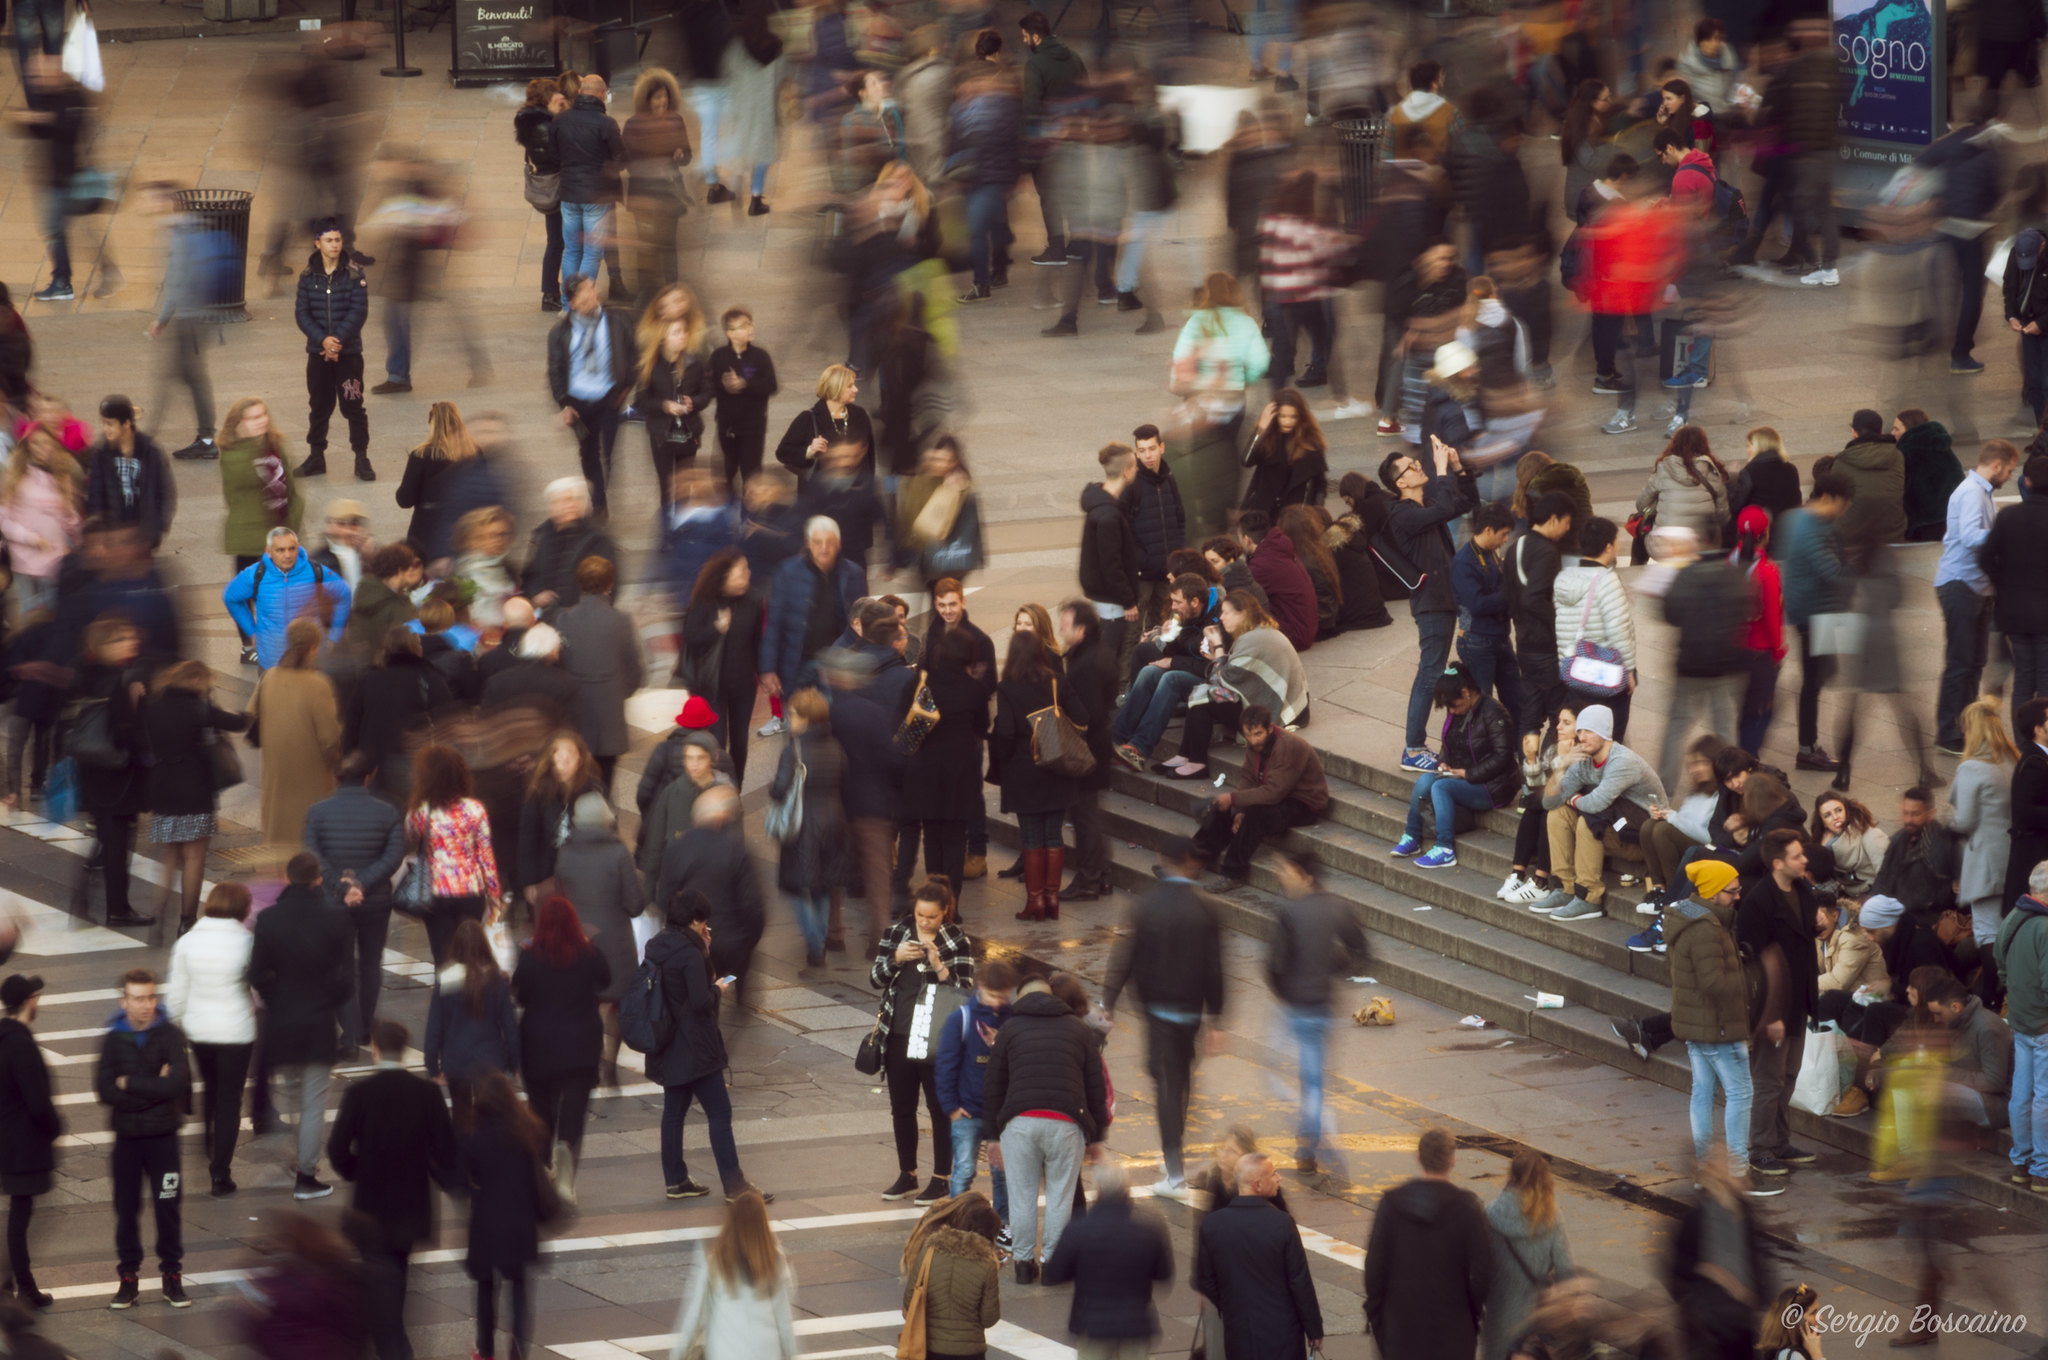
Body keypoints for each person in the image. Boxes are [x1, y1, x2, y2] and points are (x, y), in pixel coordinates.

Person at [1102, 836, 1224, 1196]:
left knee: (1165, 1085)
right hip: (1190, 1011)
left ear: (1160, 857)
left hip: (1156, 1010)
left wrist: (1108, 999)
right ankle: (1174, 1148)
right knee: (1180, 1079)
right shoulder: (1207, 907)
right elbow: (1215, 968)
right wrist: (1216, 1017)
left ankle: (1173, 1169)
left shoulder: (1145, 904)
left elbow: (1125, 956)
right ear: (1190, 860)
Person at [329, 1017, 457, 1360]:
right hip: (411, 1206)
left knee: (375, 1280)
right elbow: (446, 1149)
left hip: (370, 1206)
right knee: (398, 1277)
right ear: (402, 1051)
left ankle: (392, 1346)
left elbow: (337, 1149)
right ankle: (394, 1342)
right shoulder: (427, 1094)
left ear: (375, 1049)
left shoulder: (359, 1094)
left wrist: (357, 1171)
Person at [982, 973, 1109, 1282]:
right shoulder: (1079, 1029)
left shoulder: (1009, 1030)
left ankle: (1023, 1265)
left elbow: (993, 1086)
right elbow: (1096, 1086)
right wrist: (1096, 1136)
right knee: (1060, 1197)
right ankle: (1052, 1263)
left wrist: (992, 1136)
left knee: (1021, 1196)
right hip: (1066, 1123)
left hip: (1020, 1122)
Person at [646, 889, 770, 1202]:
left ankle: (675, 1180)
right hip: (696, 1045)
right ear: (694, 919)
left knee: (673, 1113)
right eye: (703, 921)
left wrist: (704, 950)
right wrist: (717, 989)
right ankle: (734, 1184)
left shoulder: (657, 945)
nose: (705, 926)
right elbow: (700, 1000)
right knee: (720, 1112)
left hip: (667, 1042)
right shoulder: (690, 952)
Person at [250, 851, 353, 1201]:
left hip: (283, 1022)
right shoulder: (335, 917)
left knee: (292, 1097)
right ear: (317, 879)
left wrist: (277, 999)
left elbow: (256, 973)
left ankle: (289, 1161)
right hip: (319, 1023)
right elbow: (346, 979)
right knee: (313, 1103)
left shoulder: (269, 920)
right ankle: (306, 1175)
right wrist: (328, 999)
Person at [870, 879, 975, 1204]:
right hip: (898, 1032)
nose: (925, 922)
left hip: (935, 1037)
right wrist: (896, 958)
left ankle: (941, 1177)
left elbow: (965, 992)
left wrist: (938, 965)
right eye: (920, 915)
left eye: (931, 916)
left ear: (945, 912)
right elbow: (875, 979)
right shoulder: (896, 932)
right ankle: (908, 1174)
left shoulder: (957, 940)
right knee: (901, 1108)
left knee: (939, 1107)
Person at [95, 967, 194, 1309]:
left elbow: (175, 1085)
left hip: (163, 1139)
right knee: (126, 1210)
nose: (146, 1005)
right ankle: (128, 1278)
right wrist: (155, 1087)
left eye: (151, 997)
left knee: (168, 1208)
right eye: (138, 998)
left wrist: (130, 1083)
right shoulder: (113, 1038)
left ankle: (172, 1276)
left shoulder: (171, 1035)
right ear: (124, 1001)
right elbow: (104, 1090)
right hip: (128, 1142)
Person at [1264, 855, 1366, 1175]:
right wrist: (1336, 967)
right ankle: (1310, 1141)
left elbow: (1274, 966)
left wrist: (1286, 994)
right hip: (1324, 1005)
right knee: (1312, 1078)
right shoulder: (1340, 908)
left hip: (1297, 1007)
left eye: (1287, 870)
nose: (1281, 876)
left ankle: (1313, 1143)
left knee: (1288, 1076)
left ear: (1306, 876)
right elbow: (1361, 952)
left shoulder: (1291, 913)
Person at [1383, 435, 1479, 770]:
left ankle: (1418, 745)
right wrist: (1440, 470)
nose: (1418, 465)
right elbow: (1445, 507)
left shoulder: (1423, 508)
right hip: (1431, 602)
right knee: (1430, 673)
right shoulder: (1401, 513)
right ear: (1401, 482)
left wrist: (1455, 468)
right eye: (1411, 466)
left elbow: (1464, 502)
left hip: (1445, 598)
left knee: (1432, 670)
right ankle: (1413, 748)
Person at [304, 751, 405, 1054]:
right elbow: (393, 856)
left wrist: (341, 886)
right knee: (371, 964)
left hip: (334, 902)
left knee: (341, 966)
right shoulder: (388, 812)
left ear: (336, 776)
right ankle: (363, 1029)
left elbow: (314, 856)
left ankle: (348, 1034)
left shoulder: (317, 812)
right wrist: (363, 883)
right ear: (368, 776)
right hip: (376, 900)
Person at [511, 893, 609, 1202]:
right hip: (581, 1046)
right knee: (575, 1108)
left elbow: (521, 995)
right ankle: (566, 1152)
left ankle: (542, 1169)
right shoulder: (588, 954)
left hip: (538, 1046)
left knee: (541, 1110)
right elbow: (606, 980)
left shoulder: (529, 957)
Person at [142, 659, 251, 933]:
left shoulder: (154, 705)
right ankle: (186, 920)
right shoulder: (198, 709)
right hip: (194, 786)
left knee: (170, 853)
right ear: (198, 681)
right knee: (194, 855)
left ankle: (158, 914)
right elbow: (238, 723)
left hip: (162, 784)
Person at [1738, 830, 1820, 1180]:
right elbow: (1756, 966)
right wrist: (1768, 1016)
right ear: (1777, 863)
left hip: (1799, 1001)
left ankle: (1780, 1143)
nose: (1805, 861)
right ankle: (1759, 1149)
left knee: (1788, 1077)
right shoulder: (1758, 903)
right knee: (1769, 1080)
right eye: (1798, 856)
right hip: (1773, 1006)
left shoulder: (1802, 890)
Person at [1535, 703, 1666, 921]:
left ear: (1605, 734)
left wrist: (1574, 798)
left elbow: (1596, 803)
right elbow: (1550, 802)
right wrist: (1562, 766)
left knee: (1588, 823)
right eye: (1580, 731)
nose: (1582, 737)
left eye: (1589, 732)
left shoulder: (1622, 761)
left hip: (1643, 837)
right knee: (1558, 814)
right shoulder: (1583, 759)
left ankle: (1589, 898)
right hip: (1616, 823)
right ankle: (1565, 888)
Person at [992, 628, 1089, 921]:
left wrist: (1005, 757)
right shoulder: (1057, 681)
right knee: (1053, 835)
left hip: (1024, 772)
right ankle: (1052, 899)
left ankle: (1035, 901)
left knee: (1032, 836)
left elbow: (1006, 732)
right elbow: (1083, 718)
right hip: (1058, 768)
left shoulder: (1007, 688)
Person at [1194, 1153, 1324, 1360]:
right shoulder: (1281, 1224)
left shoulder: (1212, 1225)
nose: (1279, 1178)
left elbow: (1207, 1281)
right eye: (1273, 1174)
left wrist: (1230, 1306)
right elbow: (1300, 1281)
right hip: (1282, 1333)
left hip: (1239, 1332)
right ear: (1258, 1184)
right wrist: (1314, 1329)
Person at [1934, 440, 2018, 752]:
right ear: (1997, 465)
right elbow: (1970, 537)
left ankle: (1966, 725)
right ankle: (1948, 732)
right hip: (1961, 585)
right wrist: (2005, 533)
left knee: (1974, 662)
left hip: (1976, 587)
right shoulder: (1971, 492)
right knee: (1960, 662)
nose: (2010, 475)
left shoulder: (1981, 492)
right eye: (2009, 469)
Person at [1393, 663, 1518, 870]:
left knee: (1441, 787)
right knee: (1425, 780)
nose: (1452, 711)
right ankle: (1412, 835)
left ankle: (1445, 848)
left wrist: (1468, 774)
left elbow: (1503, 757)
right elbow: (1449, 742)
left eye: (1454, 706)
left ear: (1466, 693)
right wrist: (1443, 761)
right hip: (1463, 776)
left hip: (1494, 786)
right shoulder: (1458, 710)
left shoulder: (1494, 714)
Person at [1041, 1162, 1174, 1355]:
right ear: (1127, 1191)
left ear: (1099, 1190)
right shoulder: (1149, 1229)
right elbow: (1163, 1275)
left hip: (1092, 1325)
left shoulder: (1078, 1228)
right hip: (1136, 1325)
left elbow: (1054, 1274)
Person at [463, 1071, 548, 1360]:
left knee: (486, 1288)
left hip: (486, 1223)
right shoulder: (527, 1132)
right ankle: (518, 1353)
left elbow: (469, 1177)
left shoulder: (475, 1136)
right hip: (520, 1223)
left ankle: (485, 1351)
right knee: (520, 1290)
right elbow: (534, 1181)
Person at [75, 616, 153, 928]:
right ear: (104, 645)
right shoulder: (119, 680)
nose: (130, 643)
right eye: (121, 639)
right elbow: (125, 733)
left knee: (107, 841)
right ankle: (118, 909)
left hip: (93, 773)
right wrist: (135, 703)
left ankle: (85, 900)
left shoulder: (85, 673)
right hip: (118, 777)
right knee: (118, 845)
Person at [1778, 473, 1854, 770]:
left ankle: (1807, 744)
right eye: (1844, 505)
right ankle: (1807, 748)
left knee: (1822, 674)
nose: (1844, 512)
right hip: (1815, 615)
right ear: (1829, 498)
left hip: (1817, 613)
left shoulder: (1796, 518)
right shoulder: (1811, 529)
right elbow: (1833, 573)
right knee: (1813, 681)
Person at [668, 1190, 799, 1360]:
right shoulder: (775, 1262)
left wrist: (678, 1354)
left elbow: (695, 1316)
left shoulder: (716, 1263)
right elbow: (784, 1320)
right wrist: (791, 1354)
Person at [548, 275, 637, 518]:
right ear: (573, 303)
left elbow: (633, 354)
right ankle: (599, 505)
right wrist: (564, 404)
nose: (591, 296)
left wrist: (626, 387)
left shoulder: (617, 321)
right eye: (583, 293)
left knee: (609, 451)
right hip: (578, 403)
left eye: (591, 289)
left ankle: (602, 491)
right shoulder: (559, 333)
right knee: (588, 453)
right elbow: (555, 370)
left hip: (610, 400)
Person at [771, 689, 850, 966]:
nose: (788, 718)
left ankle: (815, 942)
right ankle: (820, 940)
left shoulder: (794, 750)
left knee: (795, 887)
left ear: (805, 718)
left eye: (791, 714)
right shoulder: (836, 746)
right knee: (823, 886)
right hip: (834, 822)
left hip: (803, 827)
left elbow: (779, 790)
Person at [406, 743, 502, 967]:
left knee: (444, 956)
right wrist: (494, 892)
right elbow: (485, 854)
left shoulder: (422, 811)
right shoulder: (476, 809)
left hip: (436, 893)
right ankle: (471, 996)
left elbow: (411, 835)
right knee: (470, 953)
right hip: (471, 891)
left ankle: (448, 996)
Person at [248, 617, 340, 847]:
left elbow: (250, 715)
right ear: (313, 647)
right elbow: (329, 738)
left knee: (278, 835)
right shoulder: (318, 683)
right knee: (307, 836)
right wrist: (336, 763)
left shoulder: (269, 676)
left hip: (276, 771)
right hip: (312, 772)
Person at [291, 221, 372, 482]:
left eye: (338, 240)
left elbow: (358, 312)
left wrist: (336, 342)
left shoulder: (354, 274)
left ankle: (361, 456)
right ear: (318, 243)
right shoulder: (307, 276)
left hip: (349, 357)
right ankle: (316, 456)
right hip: (318, 356)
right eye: (329, 240)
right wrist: (322, 341)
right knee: (318, 405)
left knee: (353, 404)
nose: (335, 244)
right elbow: (302, 314)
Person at [935, 958, 1016, 1210]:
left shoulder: (1012, 1018)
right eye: (992, 995)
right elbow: (945, 1066)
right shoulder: (962, 1019)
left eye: (1002, 996)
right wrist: (951, 1108)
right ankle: (957, 1221)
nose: (997, 1002)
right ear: (980, 987)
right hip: (968, 1111)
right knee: (963, 1171)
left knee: (1002, 1176)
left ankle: (1004, 1226)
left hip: (1002, 1115)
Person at [425, 917, 518, 1132]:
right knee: (493, 1120)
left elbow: (435, 1027)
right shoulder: (497, 978)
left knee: (461, 1118)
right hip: (490, 1060)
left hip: (455, 1060)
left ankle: (464, 1160)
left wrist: (432, 1066)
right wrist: (512, 1064)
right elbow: (510, 1028)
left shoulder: (445, 978)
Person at [1480, 1150, 1574, 1360]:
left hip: (1499, 1316)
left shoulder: (1490, 1214)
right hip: (1536, 1318)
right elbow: (1566, 1272)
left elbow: (1480, 1269)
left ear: (1512, 1176)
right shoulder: (1552, 1217)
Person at [1551, 516, 1637, 739]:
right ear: (1608, 546)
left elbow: (1562, 625)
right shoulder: (1607, 581)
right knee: (1609, 737)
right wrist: (1629, 670)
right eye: (1617, 541)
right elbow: (1618, 630)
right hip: (1605, 674)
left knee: (1577, 736)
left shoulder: (1564, 577)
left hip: (1573, 671)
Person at [222, 523, 351, 671]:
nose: (288, 555)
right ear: (269, 552)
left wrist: (335, 635)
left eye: (292, 548)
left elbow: (343, 594)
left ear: (298, 548)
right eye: (281, 550)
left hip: (310, 661)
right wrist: (252, 630)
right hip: (272, 661)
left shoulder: (316, 571)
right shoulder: (255, 574)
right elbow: (231, 598)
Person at [0, 974, 55, 1308]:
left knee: (19, 1214)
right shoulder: (20, 1043)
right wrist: (54, 1126)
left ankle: (8, 1282)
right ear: (29, 1001)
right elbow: (37, 1100)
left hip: (8, 1139)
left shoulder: (4, 1037)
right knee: (21, 1216)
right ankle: (25, 1286)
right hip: (22, 1143)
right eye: (37, 996)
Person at [549, 73, 626, 296]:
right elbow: (621, 160)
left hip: (569, 194)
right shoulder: (607, 123)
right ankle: (580, 303)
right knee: (592, 253)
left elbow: (554, 155)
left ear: (581, 92)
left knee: (572, 251)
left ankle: (567, 305)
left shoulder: (560, 120)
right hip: (596, 196)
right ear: (602, 95)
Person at [899, 1193, 1003, 1354]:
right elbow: (989, 1318)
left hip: (929, 1349)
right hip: (969, 1352)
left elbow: (909, 1302)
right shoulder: (987, 1264)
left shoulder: (929, 1252)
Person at [1950, 698, 2017, 948]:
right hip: (2013, 855)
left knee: (1987, 930)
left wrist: (1950, 823)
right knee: (2009, 926)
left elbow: (1964, 820)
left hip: (1985, 862)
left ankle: (1990, 987)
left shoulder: (1972, 767)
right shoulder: (2011, 761)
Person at [1997, 864, 2048, 1190]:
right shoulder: (2045, 927)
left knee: (2021, 1095)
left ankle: (2020, 1162)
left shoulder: (2012, 918)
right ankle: (2043, 1169)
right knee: (2044, 1097)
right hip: (2044, 1026)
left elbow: (1999, 964)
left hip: (2020, 1021)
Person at [1984, 455, 2048, 705]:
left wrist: (2004, 583)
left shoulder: (2008, 516)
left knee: (2023, 680)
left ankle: (2023, 741)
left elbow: (1986, 558)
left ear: (2028, 482)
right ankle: (2043, 740)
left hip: (2014, 612)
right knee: (2045, 681)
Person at [638, 310, 714, 521]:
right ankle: (666, 530)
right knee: (666, 485)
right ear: (664, 338)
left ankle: (683, 526)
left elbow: (707, 392)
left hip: (688, 434)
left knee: (685, 484)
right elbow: (641, 401)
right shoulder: (651, 365)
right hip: (662, 436)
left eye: (685, 331)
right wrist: (664, 406)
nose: (683, 336)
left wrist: (694, 402)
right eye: (676, 332)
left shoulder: (694, 363)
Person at [1079, 442, 1141, 668]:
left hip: (1102, 596)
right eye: (1134, 466)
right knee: (1108, 659)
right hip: (1112, 602)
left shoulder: (1101, 503)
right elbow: (1111, 564)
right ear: (1126, 471)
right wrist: (1128, 601)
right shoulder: (1109, 516)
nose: (1137, 470)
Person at [84, 395, 176, 547]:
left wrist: (158, 527)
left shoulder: (149, 452)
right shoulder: (102, 454)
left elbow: (165, 491)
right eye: (104, 424)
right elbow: (95, 493)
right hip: (114, 536)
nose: (106, 429)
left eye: (110, 424)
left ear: (126, 424)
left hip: (144, 536)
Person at [523, 477, 619, 613]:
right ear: (551, 507)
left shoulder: (597, 539)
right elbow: (531, 576)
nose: (570, 505)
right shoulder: (540, 537)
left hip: (583, 618)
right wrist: (536, 594)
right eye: (561, 501)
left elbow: (609, 583)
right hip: (549, 616)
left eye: (575, 499)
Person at [515, 78, 568, 313]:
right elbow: (556, 156)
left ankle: (550, 291)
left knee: (555, 241)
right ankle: (551, 293)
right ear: (546, 97)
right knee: (558, 242)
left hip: (551, 186)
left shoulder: (534, 122)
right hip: (558, 185)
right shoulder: (545, 125)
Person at [1808, 790, 1889, 898]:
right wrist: (1822, 849)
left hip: (1873, 895)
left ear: (1846, 811)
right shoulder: (1826, 842)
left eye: (1838, 810)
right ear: (1823, 822)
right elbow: (1818, 877)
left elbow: (1887, 878)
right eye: (1827, 815)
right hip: (1847, 894)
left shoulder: (1871, 836)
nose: (1835, 817)